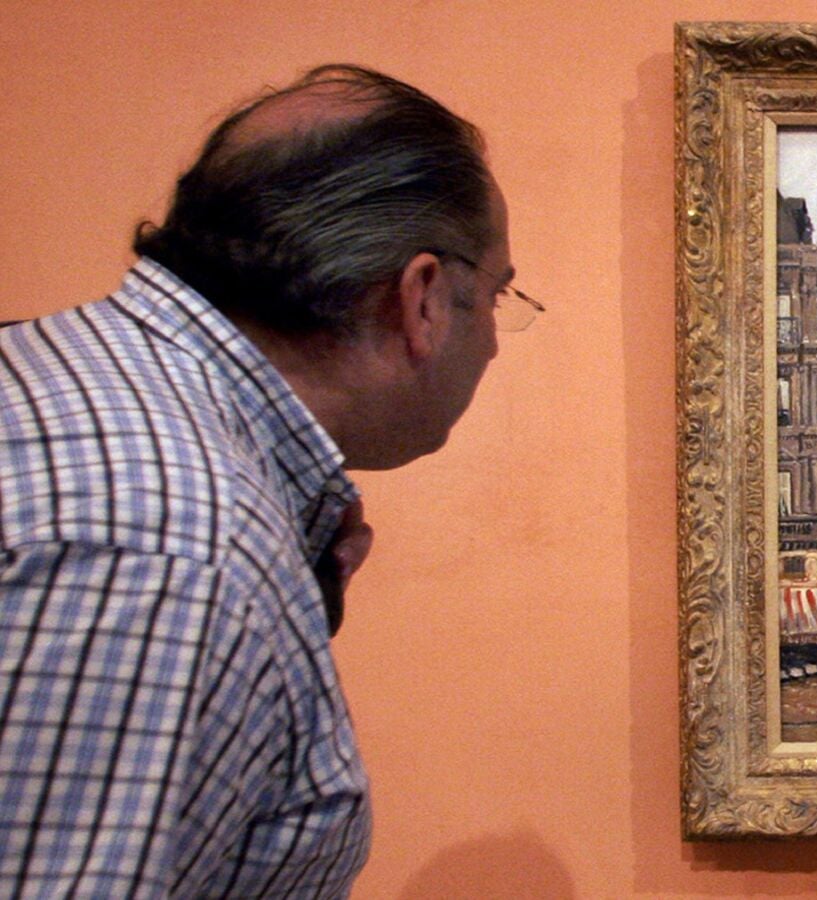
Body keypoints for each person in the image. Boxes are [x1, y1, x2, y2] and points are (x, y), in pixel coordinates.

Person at [0, 65, 535, 896]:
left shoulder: (57, 380)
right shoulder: (171, 548)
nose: (496, 341)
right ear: (424, 298)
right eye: (498, 295)